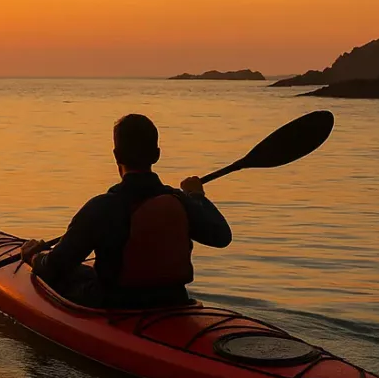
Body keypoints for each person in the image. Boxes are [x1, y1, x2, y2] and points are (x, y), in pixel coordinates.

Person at [19, 114, 231, 309]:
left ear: (116, 155)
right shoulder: (180, 200)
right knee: (83, 271)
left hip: (117, 304)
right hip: (174, 299)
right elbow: (222, 237)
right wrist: (196, 196)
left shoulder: (102, 207)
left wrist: (35, 257)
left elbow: (56, 266)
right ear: (157, 155)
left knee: (63, 273)